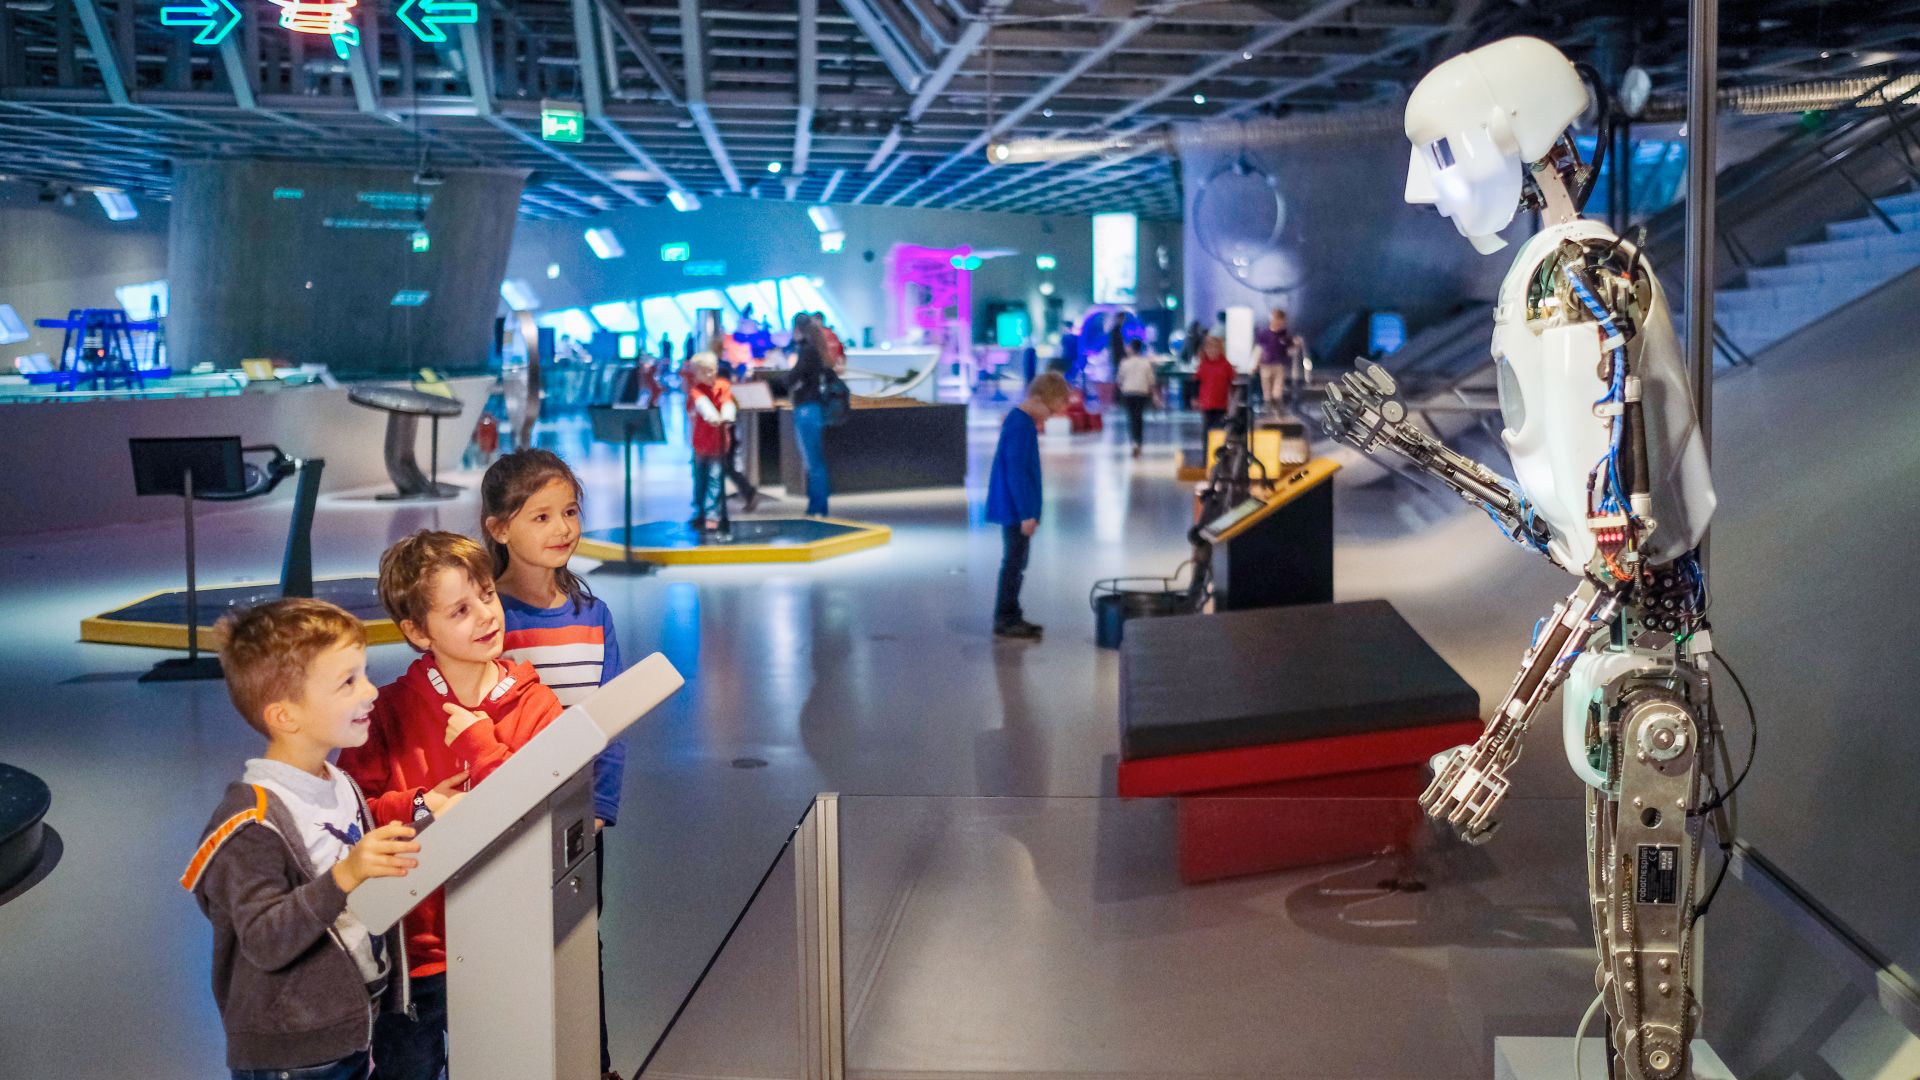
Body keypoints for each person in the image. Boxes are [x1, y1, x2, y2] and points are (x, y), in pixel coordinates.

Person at [339, 531, 566, 1080]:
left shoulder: (537, 704)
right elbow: (352, 813)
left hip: (507, 938)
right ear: (418, 631)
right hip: (413, 951)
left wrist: (482, 746)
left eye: (487, 595)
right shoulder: (387, 713)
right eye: (460, 610)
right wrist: (418, 805)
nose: (485, 616)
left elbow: (551, 799)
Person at [183, 598, 432, 1080]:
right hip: (294, 1057)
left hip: (353, 1030)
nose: (372, 692)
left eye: (364, 674)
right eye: (348, 682)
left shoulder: (339, 782)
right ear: (285, 716)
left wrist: (419, 813)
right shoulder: (250, 823)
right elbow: (264, 938)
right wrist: (346, 874)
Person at [479, 448, 628, 1080]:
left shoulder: (593, 614)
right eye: (540, 516)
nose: (562, 528)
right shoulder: (490, 623)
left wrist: (599, 809)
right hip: (508, 820)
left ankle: (590, 1067)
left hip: (577, 820)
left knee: (579, 941)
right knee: (507, 952)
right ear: (499, 528)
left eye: (568, 512)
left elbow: (613, 719)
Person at [986, 372, 1073, 640]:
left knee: (1017, 562)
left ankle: (1012, 613)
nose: (1049, 416)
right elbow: (1015, 471)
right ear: (1036, 399)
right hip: (1015, 510)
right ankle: (1005, 617)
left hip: (1018, 508)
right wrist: (1026, 513)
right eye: (1049, 410)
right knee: (1013, 563)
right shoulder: (1021, 425)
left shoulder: (1021, 422)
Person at [787, 314, 834, 516]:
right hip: (815, 409)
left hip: (807, 409)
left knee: (813, 461)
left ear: (797, 329)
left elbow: (793, 377)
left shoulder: (807, 351)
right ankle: (818, 505)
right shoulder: (818, 350)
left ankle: (818, 507)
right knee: (815, 460)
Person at [684, 353, 737, 531]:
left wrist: (727, 414)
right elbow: (701, 404)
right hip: (701, 443)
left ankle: (711, 514)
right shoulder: (695, 390)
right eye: (705, 371)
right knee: (699, 479)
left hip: (718, 444)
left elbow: (728, 402)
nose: (710, 374)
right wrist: (711, 415)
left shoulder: (723, 386)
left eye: (712, 370)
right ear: (697, 374)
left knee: (715, 478)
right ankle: (700, 511)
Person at [1255, 308, 1307, 416]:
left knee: (1277, 391)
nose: (1279, 324)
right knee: (1267, 388)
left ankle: (1277, 404)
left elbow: (1290, 348)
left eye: (1281, 322)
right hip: (1266, 365)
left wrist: (1296, 344)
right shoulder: (1264, 334)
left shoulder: (1284, 335)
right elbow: (1258, 349)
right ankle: (1268, 406)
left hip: (1279, 365)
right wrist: (1255, 363)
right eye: (1277, 320)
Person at [1116, 339, 1157, 458]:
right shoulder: (1146, 363)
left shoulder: (1124, 363)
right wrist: (1154, 394)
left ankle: (1133, 442)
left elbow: (1119, 379)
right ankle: (1139, 441)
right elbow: (1151, 381)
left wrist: (1122, 389)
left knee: (1131, 417)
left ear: (1132, 348)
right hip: (1142, 393)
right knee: (1139, 417)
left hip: (1128, 393)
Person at [1194, 334, 1236, 433]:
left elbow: (1232, 381)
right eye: (1209, 348)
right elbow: (1197, 382)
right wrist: (1195, 398)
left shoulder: (1225, 365)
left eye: (1214, 348)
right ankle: (1206, 447)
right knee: (1206, 429)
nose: (1212, 351)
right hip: (1206, 404)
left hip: (1221, 404)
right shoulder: (1203, 365)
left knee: (1219, 429)